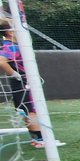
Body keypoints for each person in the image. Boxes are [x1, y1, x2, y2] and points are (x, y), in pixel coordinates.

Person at [0, 20, 49, 148]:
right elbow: (1, 61)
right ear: (10, 32)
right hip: (22, 82)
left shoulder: (15, 44)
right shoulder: (10, 46)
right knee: (31, 110)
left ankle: (37, 139)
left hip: (22, 82)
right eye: (15, 28)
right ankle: (39, 140)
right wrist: (14, 74)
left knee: (28, 110)